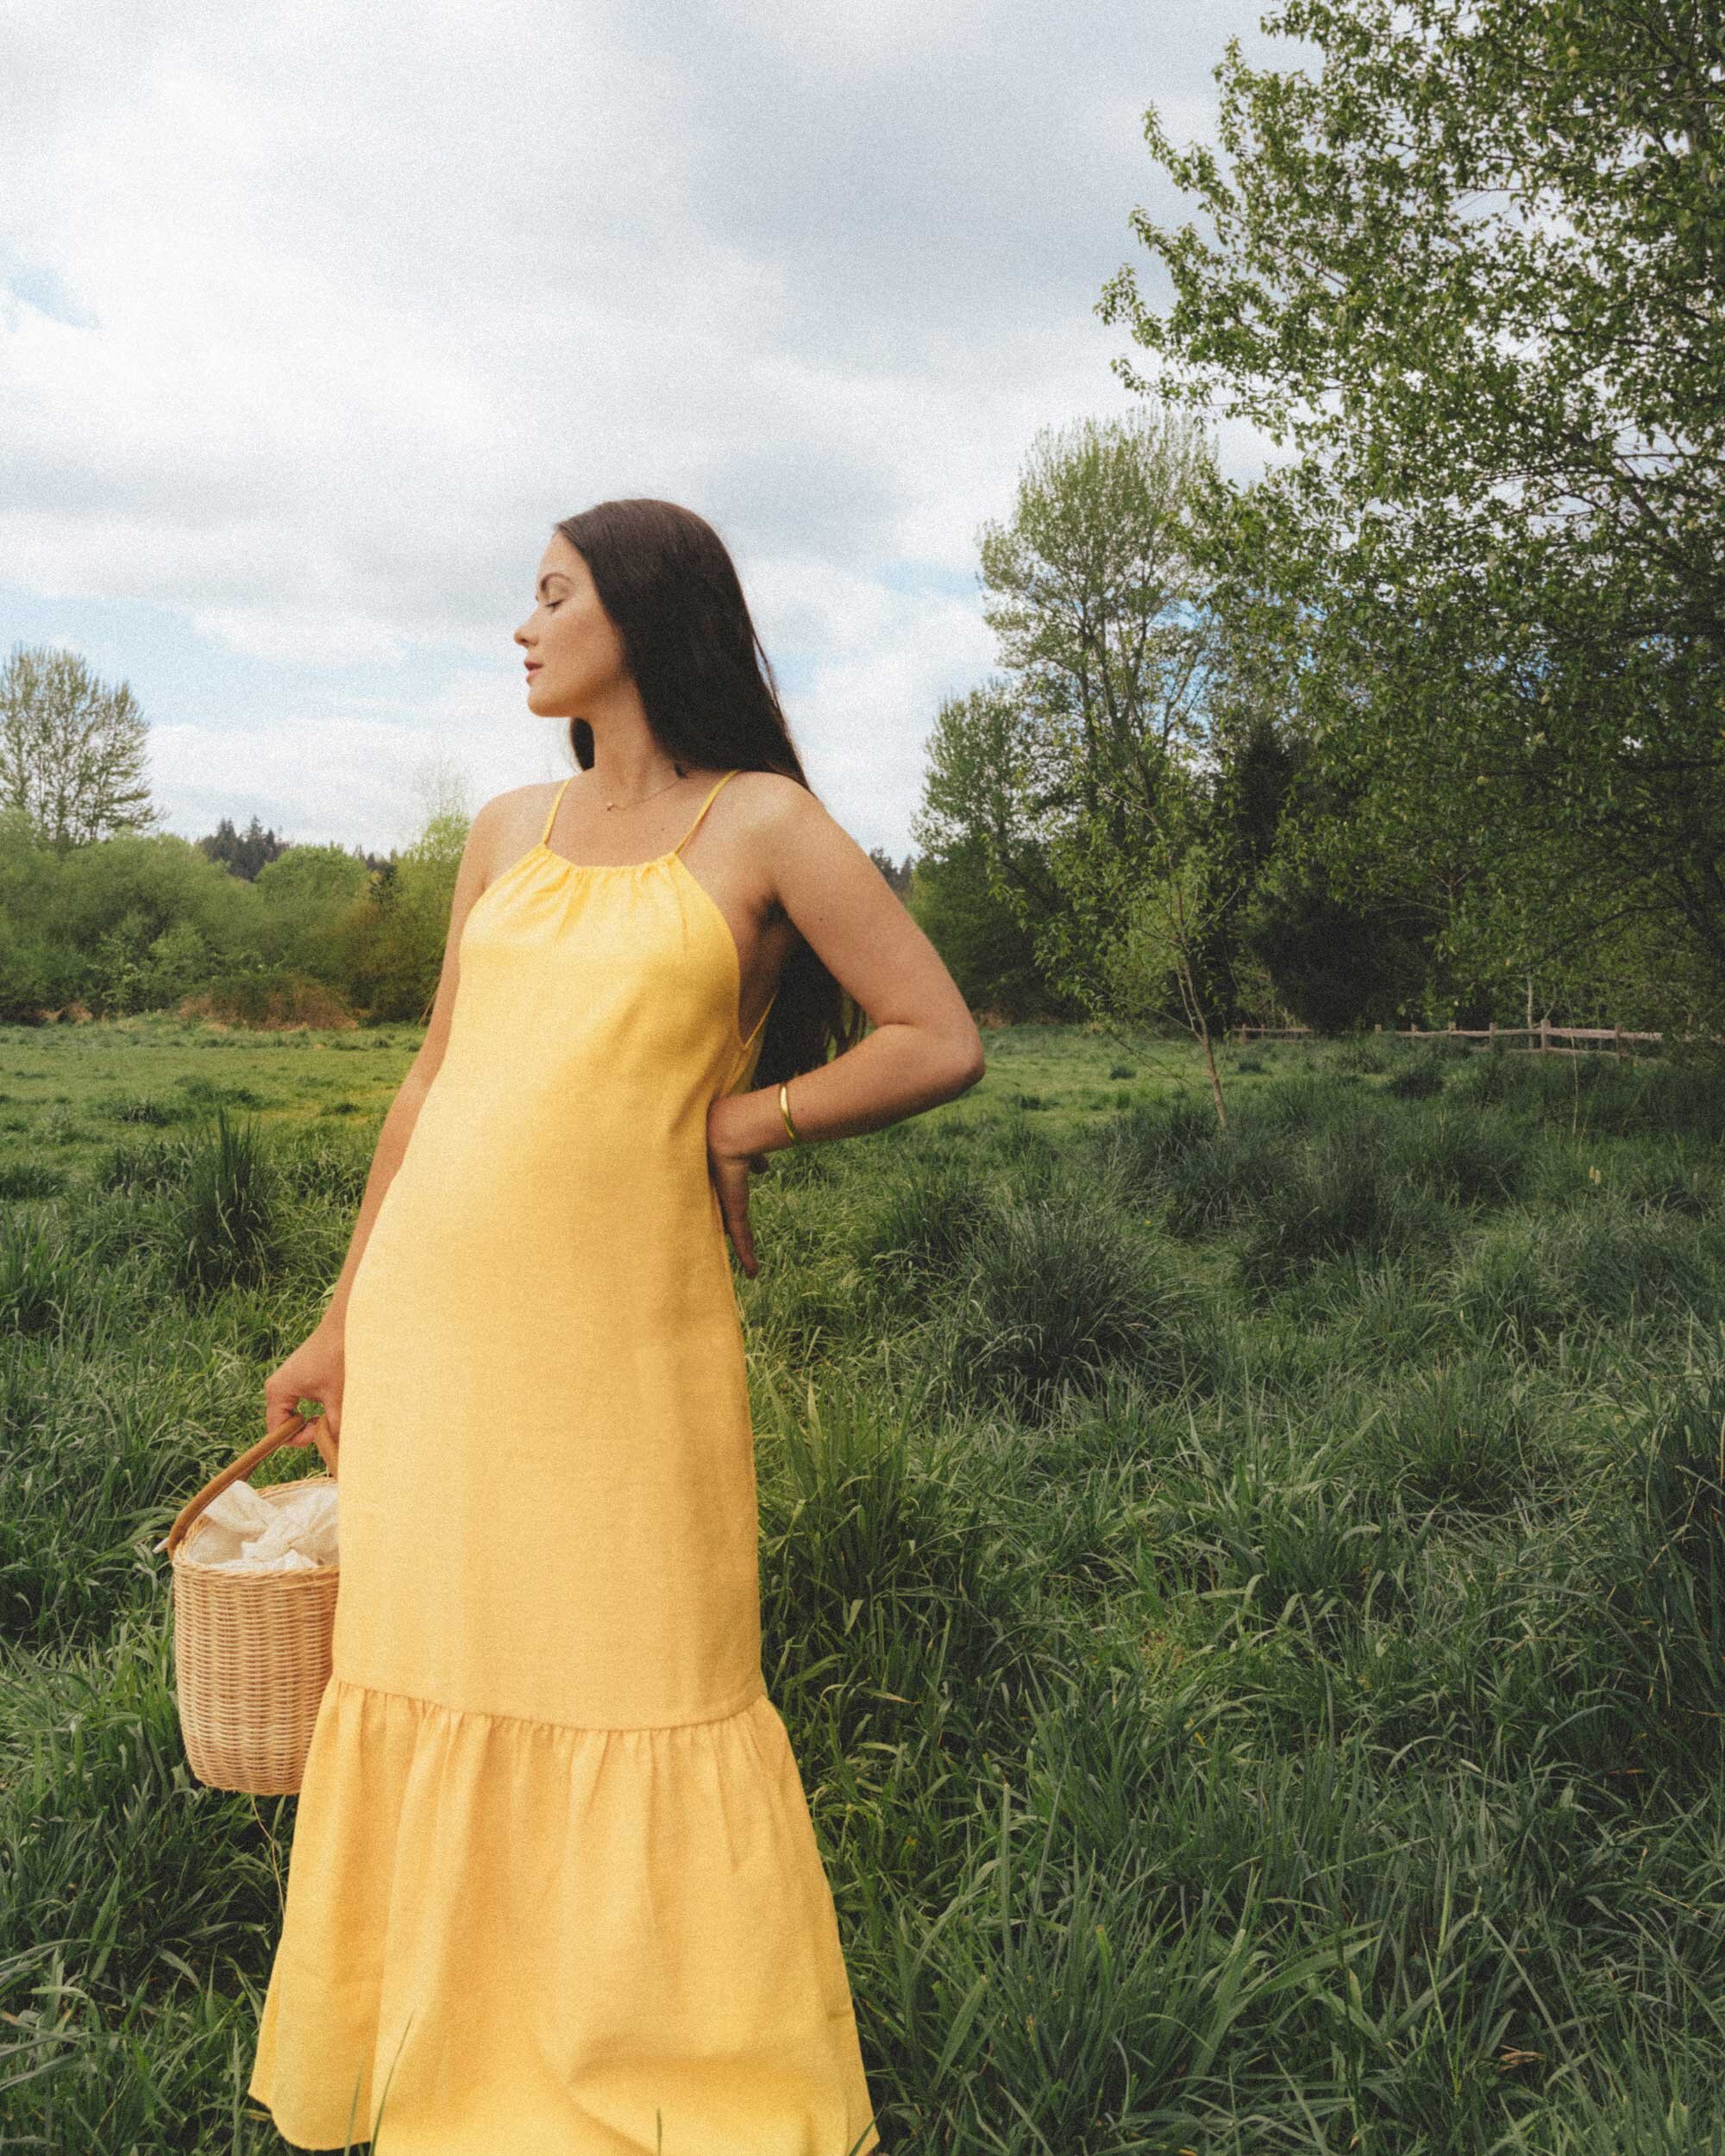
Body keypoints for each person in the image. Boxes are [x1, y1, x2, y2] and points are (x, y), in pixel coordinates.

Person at [244, 497, 986, 2153]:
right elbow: (435, 1078)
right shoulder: (505, 828)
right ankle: (444, 2050)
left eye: (552, 594)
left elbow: (934, 1035)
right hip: (440, 1324)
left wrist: (746, 1124)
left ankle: (668, 2078)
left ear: (640, 619)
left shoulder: (763, 825)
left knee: (648, 1665)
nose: (522, 626)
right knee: (437, 1653)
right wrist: (341, 1320)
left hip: (623, 1337)